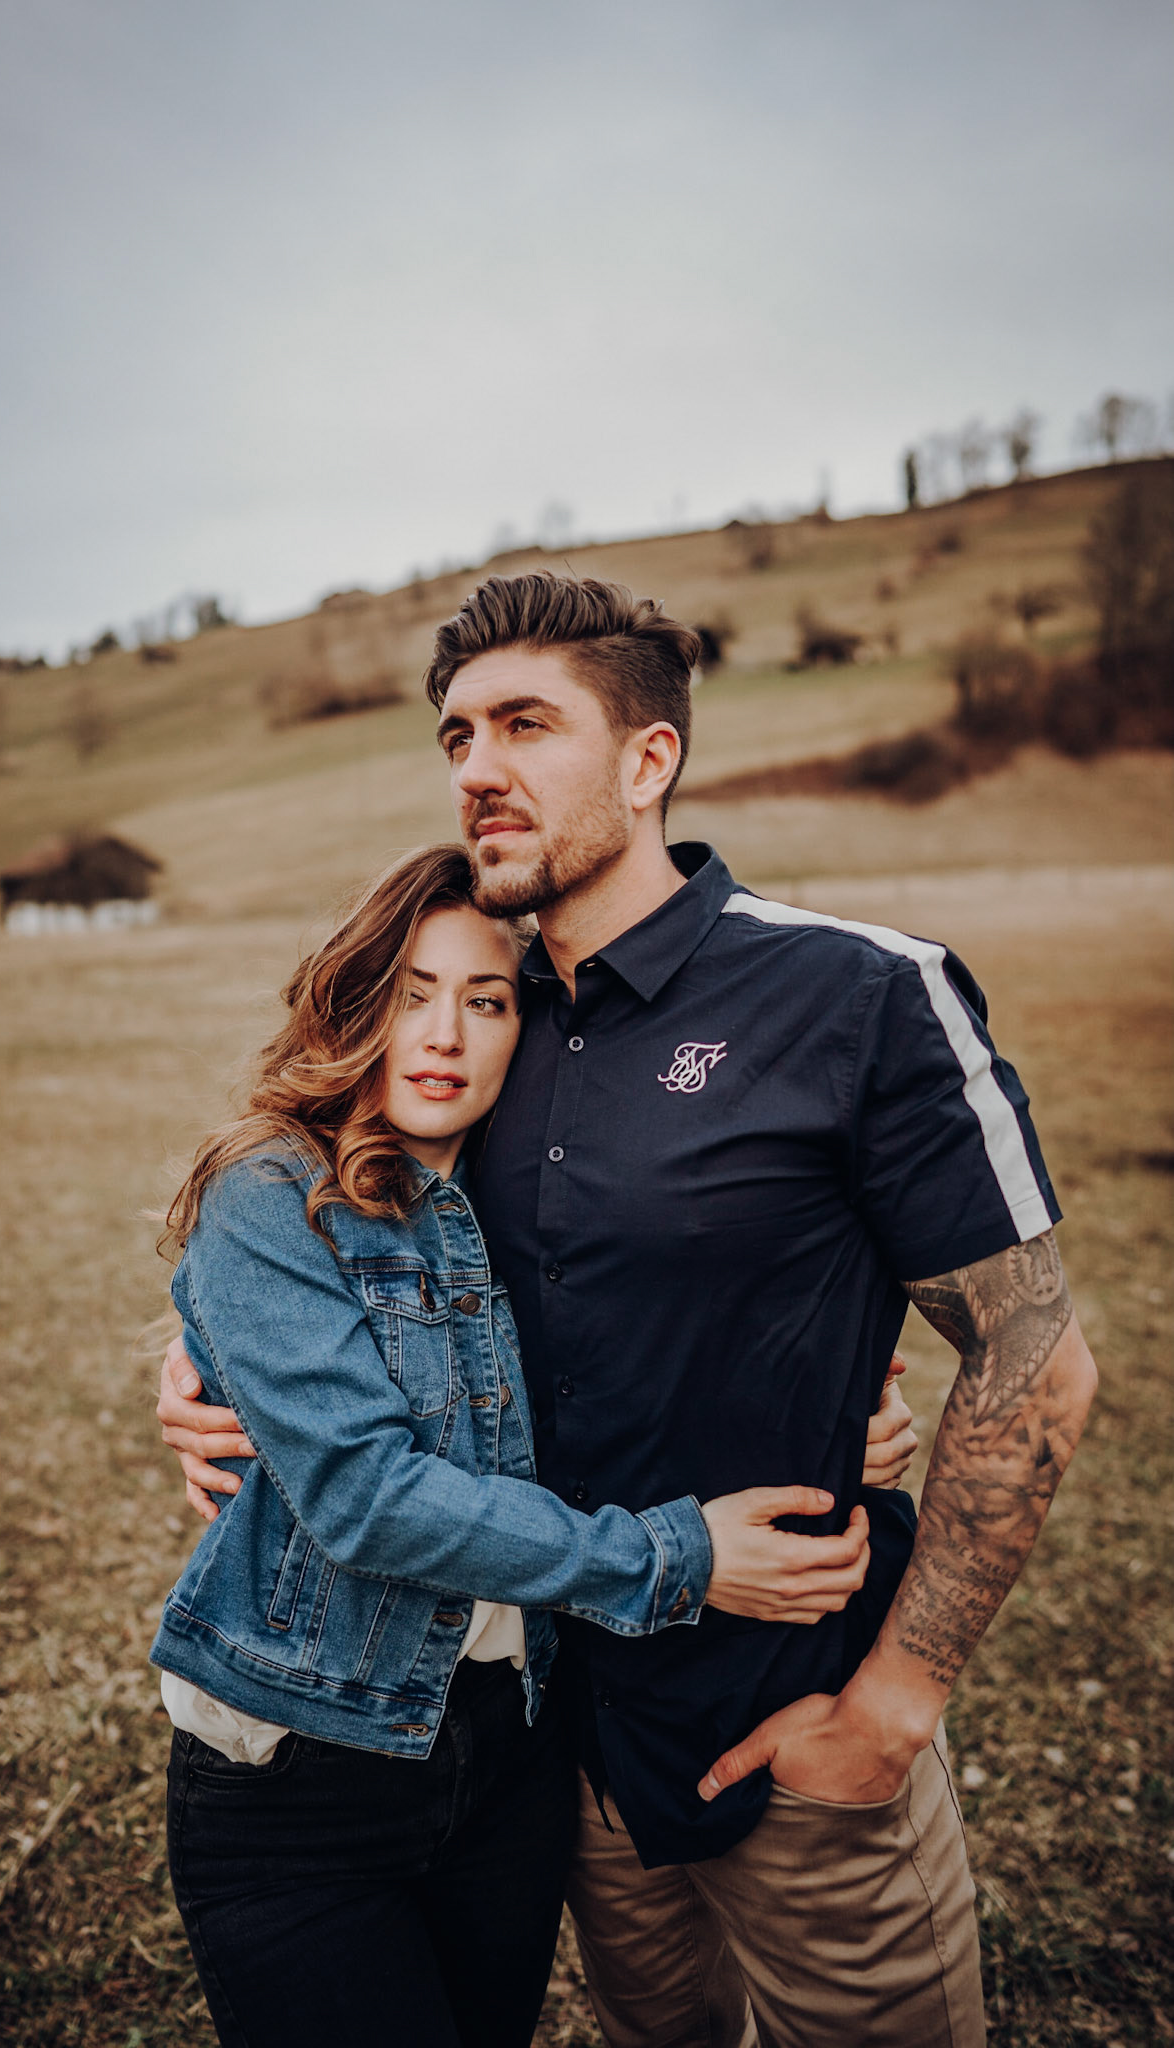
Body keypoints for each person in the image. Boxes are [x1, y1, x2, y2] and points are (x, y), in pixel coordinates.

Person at [159, 570, 1097, 2048]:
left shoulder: (856, 996)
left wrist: (899, 1698)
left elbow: (1034, 1357)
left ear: (650, 758)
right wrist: (205, 1366)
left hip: (793, 1729)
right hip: (553, 1750)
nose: (478, 767)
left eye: (526, 725)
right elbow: (351, 1239)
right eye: (458, 734)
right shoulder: (493, 1018)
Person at [151, 840, 913, 2048]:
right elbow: (365, 1495)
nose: (444, 1034)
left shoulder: (536, 1202)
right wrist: (680, 1556)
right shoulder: (273, 1193)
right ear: (355, 1003)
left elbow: (652, 1359)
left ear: (533, 1026)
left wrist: (829, 1420)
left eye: (487, 999)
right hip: (306, 1767)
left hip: (514, 1758)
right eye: (411, 993)